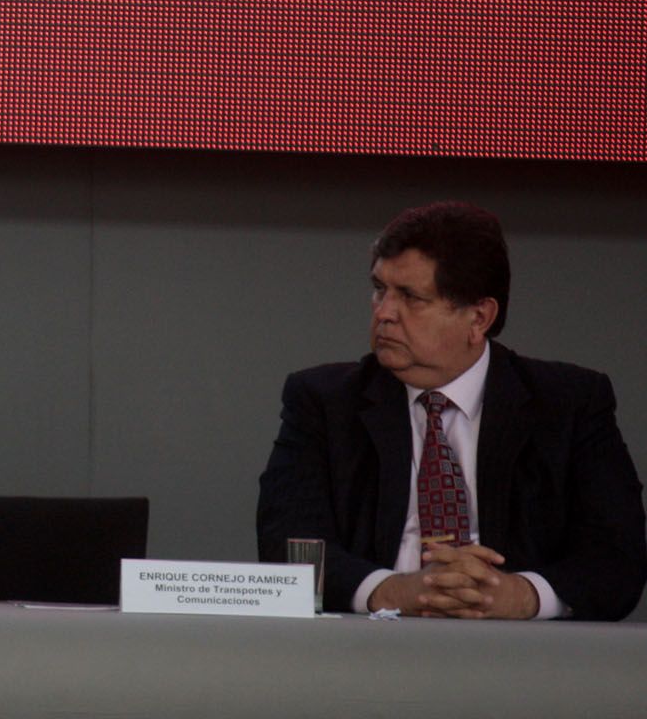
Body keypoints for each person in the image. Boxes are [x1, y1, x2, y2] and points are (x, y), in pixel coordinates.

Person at [257, 201, 647, 619]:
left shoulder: (570, 403)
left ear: (479, 317)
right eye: (380, 289)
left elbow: (616, 558)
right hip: (369, 647)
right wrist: (390, 591)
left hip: (525, 657)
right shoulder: (322, 401)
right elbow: (288, 545)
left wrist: (521, 596)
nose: (384, 313)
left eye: (411, 297)